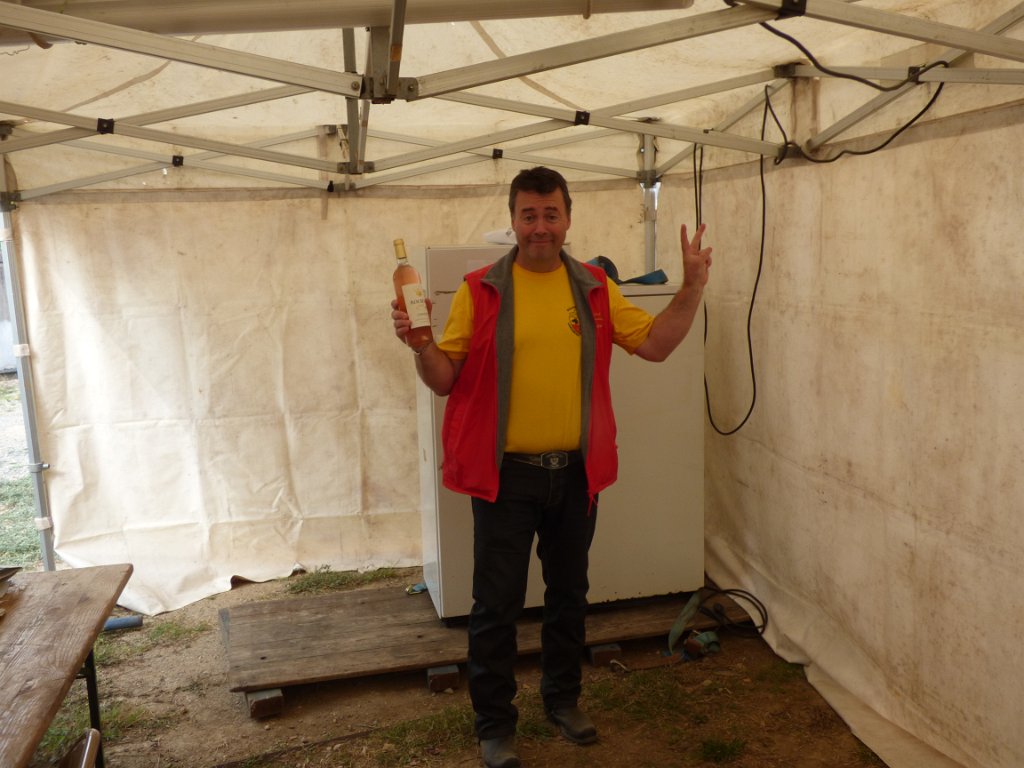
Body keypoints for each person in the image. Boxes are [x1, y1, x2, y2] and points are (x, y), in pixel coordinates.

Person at [391, 166, 711, 768]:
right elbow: (443, 380)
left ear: (568, 218)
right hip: (505, 477)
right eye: (529, 215)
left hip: (576, 474)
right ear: (513, 221)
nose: (540, 227)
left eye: (551, 214)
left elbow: (657, 344)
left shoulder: (594, 286)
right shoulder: (480, 289)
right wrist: (421, 346)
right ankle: (495, 724)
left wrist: (692, 285)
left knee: (569, 595)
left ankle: (563, 700)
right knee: (496, 604)